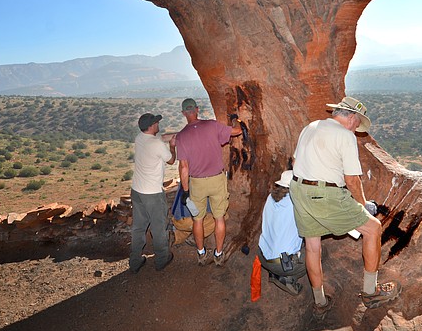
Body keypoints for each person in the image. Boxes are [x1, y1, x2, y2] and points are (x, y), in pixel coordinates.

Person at [289, 97, 401, 319]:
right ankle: (371, 292)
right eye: (357, 123)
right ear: (351, 117)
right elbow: (351, 180)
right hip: (325, 194)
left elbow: (294, 162)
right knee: (373, 228)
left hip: (298, 190)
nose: (356, 128)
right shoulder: (345, 135)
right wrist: (362, 205)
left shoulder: (310, 127)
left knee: (312, 246)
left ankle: (320, 302)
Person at [176, 98, 242, 266]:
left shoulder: (182, 136)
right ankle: (219, 254)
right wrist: (237, 120)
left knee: (197, 219)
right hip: (217, 179)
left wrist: (185, 190)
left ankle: (201, 253)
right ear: (197, 110)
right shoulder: (212, 126)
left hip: (197, 182)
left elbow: (184, 167)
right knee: (219, 217)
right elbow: (236, 131)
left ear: (184, 113)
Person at [130, 112, 177, 273]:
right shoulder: (157, 145)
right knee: (159, 227)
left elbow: (160, 137)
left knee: (138, 228)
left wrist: (177, 134)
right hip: (152, 194)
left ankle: (135, 261)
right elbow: (171, 160)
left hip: (137, 190)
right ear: (151, 126)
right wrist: (172, 146)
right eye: (156, 122)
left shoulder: (140, 138)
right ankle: (162, 259)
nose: (158, 124)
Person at [257, 170, 307, 295]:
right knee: (318, 255)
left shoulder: (271, 197)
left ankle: (274, 273)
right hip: (282, 264)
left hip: (262, 256)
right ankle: (287, 279)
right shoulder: (296, 203)